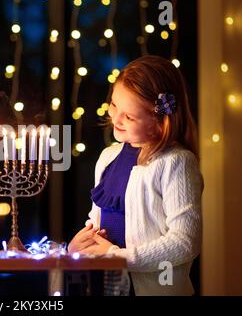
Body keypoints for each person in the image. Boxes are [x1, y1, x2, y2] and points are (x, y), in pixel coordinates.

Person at [68, 55, 203, 296]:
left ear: (160, 121)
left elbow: (185, 242)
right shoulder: (107, 157)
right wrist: (80, 247)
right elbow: (97, 222)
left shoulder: (176, 162)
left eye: (129, 116)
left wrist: (117, 257)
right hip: (108, 288)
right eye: (114, 105)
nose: (116, 119)